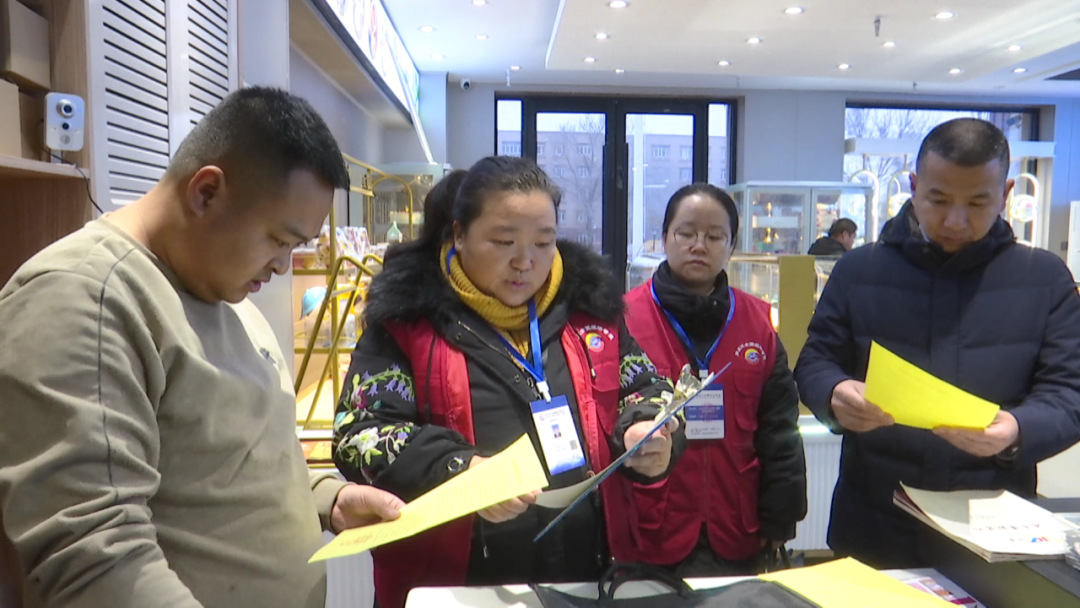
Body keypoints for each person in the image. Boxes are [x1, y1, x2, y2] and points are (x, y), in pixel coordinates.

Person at [0, 87, 407, 608]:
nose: (283, 265)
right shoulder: (83, 298)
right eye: (278, 239)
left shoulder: (223, 290)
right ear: (206, 192)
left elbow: (229, 460)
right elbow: (94, 558)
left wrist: (327, 498)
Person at [332, 156, 685, 608]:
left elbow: (647, 388)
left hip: (582, 576)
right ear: (459, 234)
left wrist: (647, 429)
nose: (525, 262)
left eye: (543, 242)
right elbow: (360, 433)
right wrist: (463, 471)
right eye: (503, 242)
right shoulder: (407, 324)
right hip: (459, 585)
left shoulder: (590, 314)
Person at [794, 118, 1080, 569]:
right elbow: (816, 360)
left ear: (1005, 194)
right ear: (913, 187)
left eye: (978, 202)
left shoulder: (1044, 279)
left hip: (995, 524)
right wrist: (834, 393)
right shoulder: (860, 270)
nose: (955, 221)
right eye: (939, 199)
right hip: (874, 517)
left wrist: (1017, 429)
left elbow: (1069, 392)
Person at [622, 183, 807, 576]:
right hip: (648, 527)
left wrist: (781, 517)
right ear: (665, 238)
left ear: (731, 245)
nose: (699, 246)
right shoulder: (625, 319)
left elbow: (779, 429)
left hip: (737, 525)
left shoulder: (758, 322)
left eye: (714, 236)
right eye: (686, 233)